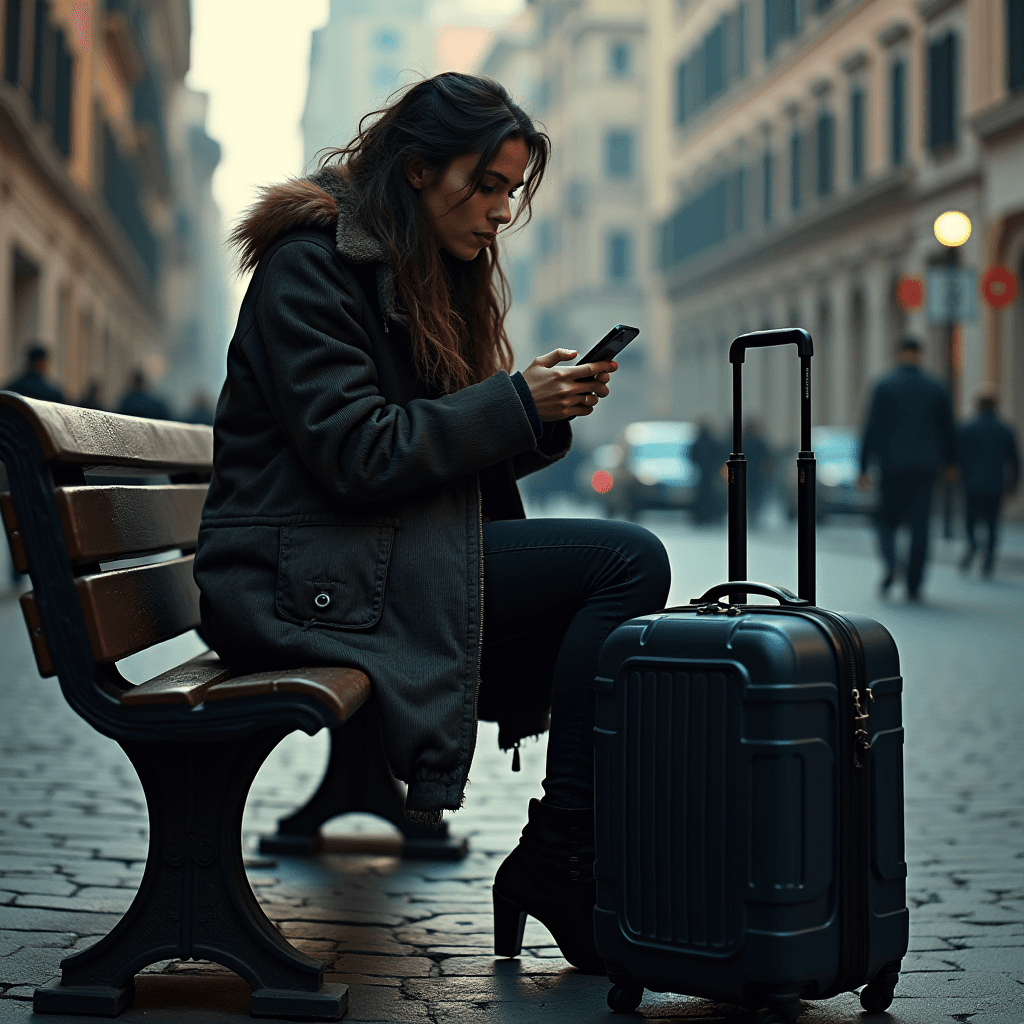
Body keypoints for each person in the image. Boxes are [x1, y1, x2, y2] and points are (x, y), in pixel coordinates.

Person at [192, 73, 671, 974]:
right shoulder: (313, 265)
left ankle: (570, 853)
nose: (498, 213)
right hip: (285, 581)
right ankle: (561, 861)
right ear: (417, 171)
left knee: (616, 601)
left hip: (348, 560)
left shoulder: (415, 271)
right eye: (485, 185)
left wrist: (538, 411)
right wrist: (510, 404)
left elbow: (422, 456)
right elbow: (359, 453)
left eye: (509, 193)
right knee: (623, 562)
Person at [858, 337, 956, 602]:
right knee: (921, 526)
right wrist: (950, 464)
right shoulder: (936, 387)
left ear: (898, 354)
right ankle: (914, 582)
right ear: (919, 355)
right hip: (927, 467)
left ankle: (891, 563)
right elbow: (948, 429)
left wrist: (864, 466)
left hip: (892, 466)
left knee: (885, 520)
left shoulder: (884, 385)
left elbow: (871, 428)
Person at [957, 383, 1020, 577]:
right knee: (993, 524)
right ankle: (989, 560)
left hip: (972, 485)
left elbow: (958, 457)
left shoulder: (967, 429)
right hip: (995, 484)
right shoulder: (1005, 429)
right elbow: (1015, 461)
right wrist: (1013, 485)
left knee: (970, 520)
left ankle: (973, 544)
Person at [690, 421, 726, 525]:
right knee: (711, 495)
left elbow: (692, 456)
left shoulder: (698, 442)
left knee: (702, 495)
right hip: (710, 474)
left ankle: (701, 517)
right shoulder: (713, 442)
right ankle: (710, 517)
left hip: (702, 474)